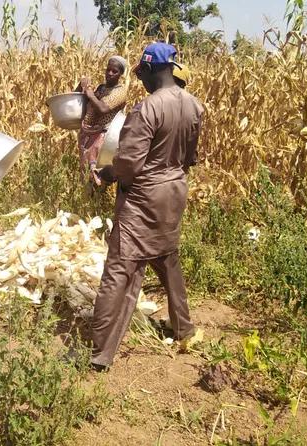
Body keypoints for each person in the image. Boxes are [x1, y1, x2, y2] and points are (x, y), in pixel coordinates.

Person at [90, 43, 204, 371]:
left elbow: (128, 165)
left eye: (144, 75)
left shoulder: (147, 109)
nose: (142, 82)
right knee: (167, 258)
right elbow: (189, 158)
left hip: (142, 200)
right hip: (174, 193)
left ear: (154, 70)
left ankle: (100, 352)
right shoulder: (194, 106)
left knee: (121, 270)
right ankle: (183, 328)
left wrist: (108, 173)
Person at [74, 55, 129, 187]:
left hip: (102, 139)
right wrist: (82, 86)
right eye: (108, 70)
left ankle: (97, 202)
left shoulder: (120, 92)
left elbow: (102, 109)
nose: (110, 73)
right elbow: (79, 100)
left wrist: (91, 94)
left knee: (97, 175)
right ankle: (88, 202)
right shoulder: (101, 88)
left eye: (114, 71)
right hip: (88, 137)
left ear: (120, 74)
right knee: (86, 173)